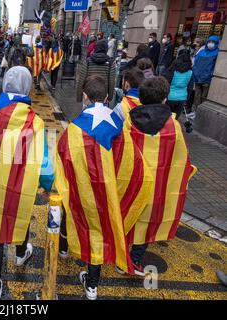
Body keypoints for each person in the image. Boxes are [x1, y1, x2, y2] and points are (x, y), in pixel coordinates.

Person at [55, 75, 152, 300]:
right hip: (107, 193)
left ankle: (63, 248)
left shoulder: (76, 128)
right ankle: (91, 286)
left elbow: (64, 156)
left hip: (82, 191)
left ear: (84, 97)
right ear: (107, 97)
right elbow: (131, 162)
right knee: (98, 234)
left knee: (70, 213)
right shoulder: (119, 125)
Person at [0, 66, 54, 300]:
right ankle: (21, 252)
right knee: (19, 215)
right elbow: (43, 160)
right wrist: (47, 183)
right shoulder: (34, 120)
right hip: (19, 181)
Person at [115, 77, 196, 276]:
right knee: (147, 225)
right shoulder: (174, 127)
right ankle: (133, 260)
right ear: (165, 99)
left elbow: (120, 155)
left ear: (141, 98)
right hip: (158, 191)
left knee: (128, 218)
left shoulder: (129, 122)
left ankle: (120, 257)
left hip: (132, 187)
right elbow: (180, 160)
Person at [192, 35, 220, 113]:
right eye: (209, 42)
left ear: (216, 43)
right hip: (198, 79)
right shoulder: (201, 52)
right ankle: (195, 112)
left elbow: (216, 68)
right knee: (196, 97)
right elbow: (195, 64)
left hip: (207, 80)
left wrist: (209, 78)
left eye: (213, 42)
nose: (210, 43)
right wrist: (195, 74)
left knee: (204, 98)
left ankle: (202, 113)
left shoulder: (218, 53)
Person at [165, 49, 193, 119]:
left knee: (165, 119)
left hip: (170, 97)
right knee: (174, 120)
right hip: (182, 98)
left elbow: (166, 83)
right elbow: (190, 88)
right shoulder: (190, 72)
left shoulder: (172, 69)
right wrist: (186, 98)